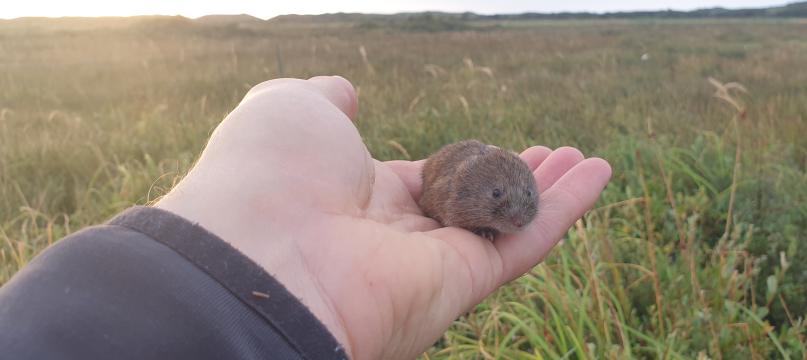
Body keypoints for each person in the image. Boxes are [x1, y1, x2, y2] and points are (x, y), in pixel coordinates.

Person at [0, 76, 612, 359]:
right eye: (502, 207)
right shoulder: (452, 194)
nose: (520, 215)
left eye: (522, 200)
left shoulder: (502, 184)